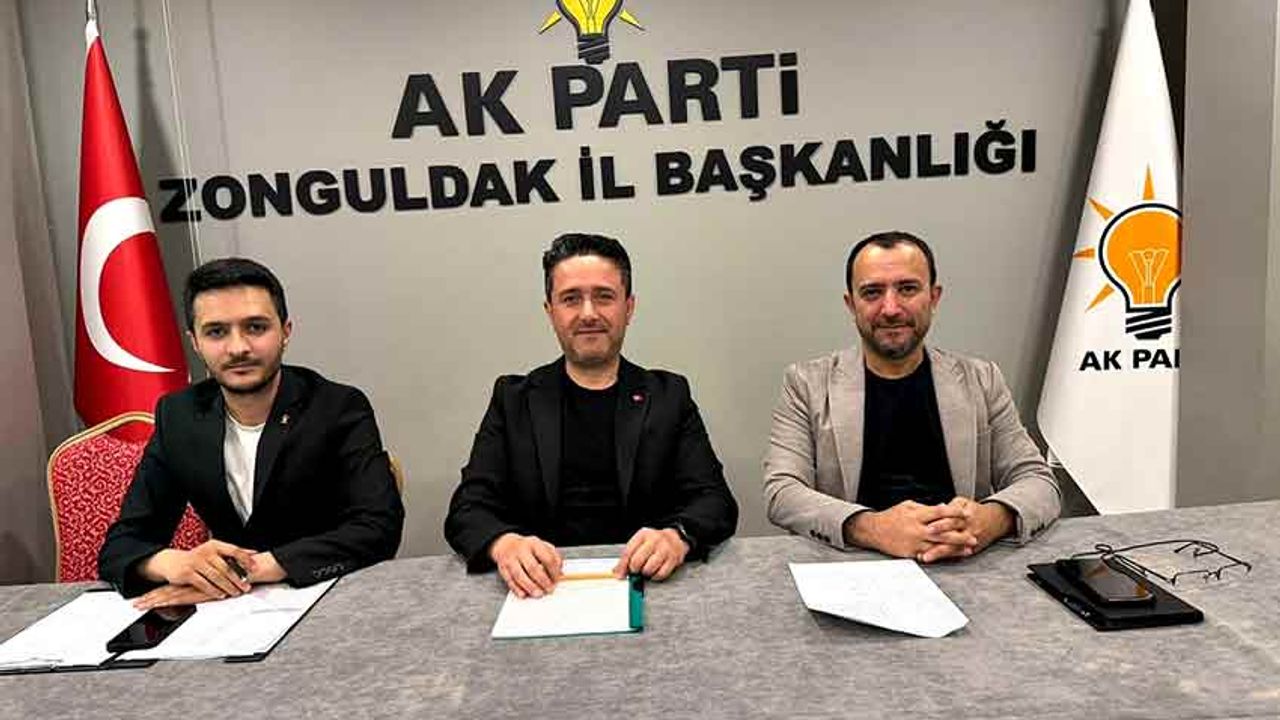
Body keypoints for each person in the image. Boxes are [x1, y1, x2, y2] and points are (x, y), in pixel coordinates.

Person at [98, 258, 404, 608]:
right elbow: (122, 545)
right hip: (228, 610)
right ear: (194, 342)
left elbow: (378, 527)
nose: (238, 348)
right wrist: (174, 564)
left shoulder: (337, 408)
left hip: (329, 598)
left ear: (286, 331)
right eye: (216, 332)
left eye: (256, 327)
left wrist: (248, 569)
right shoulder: (178, 416)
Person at [445, 233, 738, 598]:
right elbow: (468, 508)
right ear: (550, 311)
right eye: (571, 298)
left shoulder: (669, 396)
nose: (588, 314)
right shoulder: (513, 399)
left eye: (604, 296)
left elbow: (715, 501)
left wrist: (677, 536)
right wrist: (504, 544)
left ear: (628, 307)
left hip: (648, 586)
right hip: (541, 590)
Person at [764, 231, 1059, 563]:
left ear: (933, 297)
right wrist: (872, 528)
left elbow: (1038, 481)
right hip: (852, 567)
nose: (891, 309)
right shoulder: (806, 384)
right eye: (872, 292)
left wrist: (989, 520)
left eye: (907, 289)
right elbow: (782, 492)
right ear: (851, 304)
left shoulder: (982, 380)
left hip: (962, 562)